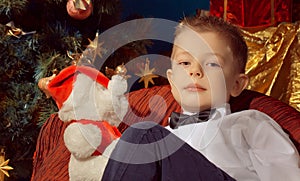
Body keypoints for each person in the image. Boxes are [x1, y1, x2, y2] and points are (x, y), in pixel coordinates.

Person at [102, 15, 300, 180]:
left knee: (143, 135)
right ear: (171, 81)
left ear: (236, 84)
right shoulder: (161, 140)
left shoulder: (249, 124)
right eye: (185, 62)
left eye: (212, 64)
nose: (195, 71)